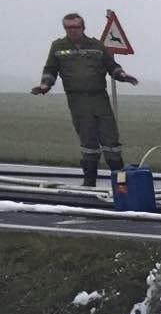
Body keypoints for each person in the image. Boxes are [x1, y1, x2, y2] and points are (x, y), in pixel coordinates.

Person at [30, 12, 139, 188]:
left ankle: (121, 186)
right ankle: (89, 183)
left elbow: (112, 66)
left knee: (111, 142)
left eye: (76, 27)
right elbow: (50, 69)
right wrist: (45, 86)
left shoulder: (96, 45)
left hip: (99, 98)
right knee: (88, 143)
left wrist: (122, 75)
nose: (72, 30)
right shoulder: (58, 47)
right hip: (77, 100)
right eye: (68, 27)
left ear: (83, 27)